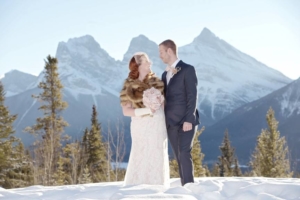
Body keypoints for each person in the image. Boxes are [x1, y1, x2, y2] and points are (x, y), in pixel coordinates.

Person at [120, 52, 169, 186]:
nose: (150, 63)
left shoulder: (158, 82)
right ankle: (137, 187)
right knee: (141, 153)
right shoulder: (128, 86)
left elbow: (165, 106)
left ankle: (159, 186)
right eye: (146, 61)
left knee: (157, 153)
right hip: (140, 126)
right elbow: (126, 111)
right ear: (138, 66)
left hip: (158, 124)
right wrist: (147, 110)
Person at [159, 39, 200, 186]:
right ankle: (184, 186)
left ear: (169, 51)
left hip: (185, 121)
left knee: (184, 153)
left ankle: (189, 187)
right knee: (178, 156)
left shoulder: (188, 69)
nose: (160, 56)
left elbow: (192, 95)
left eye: (161, 52)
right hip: (170, 122)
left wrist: (189, 119)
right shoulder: (164, 75)